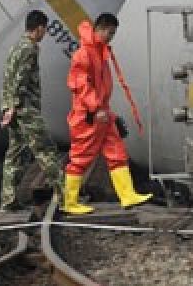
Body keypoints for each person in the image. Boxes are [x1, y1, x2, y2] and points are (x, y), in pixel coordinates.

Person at [64, 12, 152, 214]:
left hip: (101, 114)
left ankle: (127, 195)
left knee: (117, 153)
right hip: (88, 116)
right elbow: (79, 84)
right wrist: (95, 108)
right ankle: (70, 202)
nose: (111, 37)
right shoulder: (85, 53)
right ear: (101, 29)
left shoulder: (98, 51)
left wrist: (103, 110)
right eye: (110, 33)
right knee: (81, 158)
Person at [0, 10, 63, 212]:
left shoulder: (15, 47)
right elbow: (21, 79)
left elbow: (8, 78)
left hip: (14, 109)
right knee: (46, 150)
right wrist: (14, 107)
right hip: (25, 109)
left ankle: (8, 200)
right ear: (40, 28)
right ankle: (66, 195)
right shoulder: (30, 49)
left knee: (14, 154)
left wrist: (8, 107)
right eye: (44, 30)